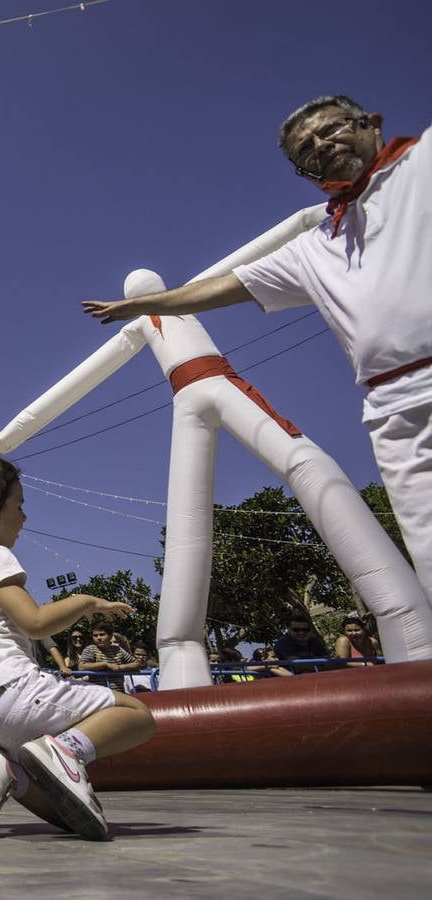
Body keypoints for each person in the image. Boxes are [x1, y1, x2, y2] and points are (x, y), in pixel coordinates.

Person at [83, 95, 432, 611]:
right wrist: (139, 306)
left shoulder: (421, 165)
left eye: (330, 130)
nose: (321, 146)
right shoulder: (313, 248)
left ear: (370, 123)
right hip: (391, 414)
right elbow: (222, 287)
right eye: (306, 149)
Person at [0, 450, 155, 841]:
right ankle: (66, 751)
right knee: (136, 714)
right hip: (16, 690)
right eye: (18, 506)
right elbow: (35, 623)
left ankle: (8, 774)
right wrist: (86, 603)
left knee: (71, 814)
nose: (24, 517)